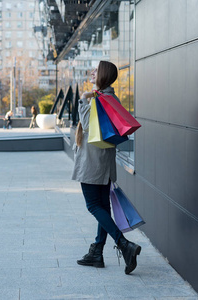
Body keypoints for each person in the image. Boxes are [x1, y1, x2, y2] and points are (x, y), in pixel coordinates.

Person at [72, 61, 141, 275]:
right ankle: (96, 253)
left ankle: (124, 244)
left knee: (93, 205)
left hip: (93, 163)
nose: (92, 72)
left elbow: (90, 127)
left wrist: (83, 100)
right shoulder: (110, 98)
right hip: (104, 162)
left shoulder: (98, 100)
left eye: (95, 70)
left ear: (102, 75)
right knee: (102, 206)